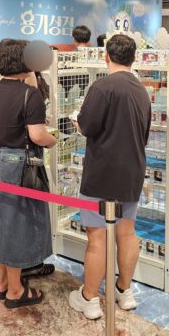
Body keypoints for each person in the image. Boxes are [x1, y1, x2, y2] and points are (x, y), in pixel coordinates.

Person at [68, 34, 151, 319]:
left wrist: (77, 121)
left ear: (106, 57)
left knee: (98, 236)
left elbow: (87, 126)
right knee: (127, 233)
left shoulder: (102, 87)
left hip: (102, 173)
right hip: (132, 171)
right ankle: (124, 291)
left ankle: (89, 298)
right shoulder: (141, 90)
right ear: (134, 58)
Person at [0, 39, 57, 308]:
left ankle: (3, 283)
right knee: (17, 222)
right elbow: (37, 135)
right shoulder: (30, 96)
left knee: (0, 219)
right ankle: (16, 290)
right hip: (19, 163)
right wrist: (53, 140)